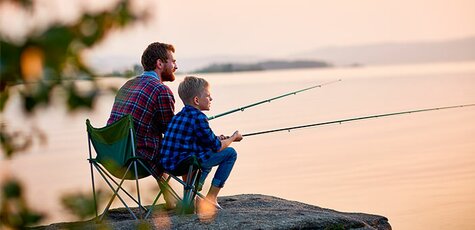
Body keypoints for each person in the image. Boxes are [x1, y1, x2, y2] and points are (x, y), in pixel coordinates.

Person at [107, 42, 177, 206]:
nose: (176, 66)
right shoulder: (161, 90)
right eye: (173, 61)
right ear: (160, 63)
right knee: (184, 146)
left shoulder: (127, 85)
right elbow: (171, 133)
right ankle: (194, 200)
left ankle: (171, 199)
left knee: (153, 144)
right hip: (136, 161)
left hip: (111, 156)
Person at [160, 76, 243, 213]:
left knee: (205, 152)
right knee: (230, 153)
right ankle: (210, 198)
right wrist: (233, 138)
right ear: (197, 100)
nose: (211, 99)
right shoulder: (199, 117)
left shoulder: (178, 116)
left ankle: (193, 196)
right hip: (185, 164)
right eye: (208, 96)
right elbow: (216, 146)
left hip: (168, 165)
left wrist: (218, 138)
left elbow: (197, 139)